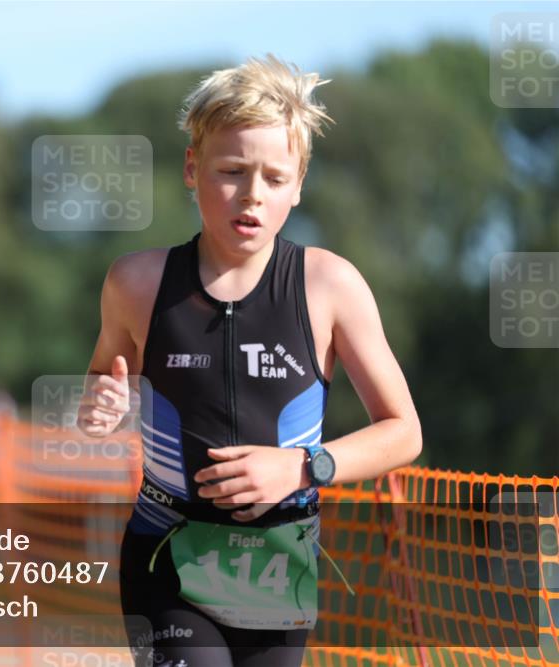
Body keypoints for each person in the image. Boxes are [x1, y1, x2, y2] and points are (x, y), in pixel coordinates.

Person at [77, 54, 423, 667]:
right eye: (232, 171)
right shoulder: (136, 282)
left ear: (298, 185)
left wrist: (303, 469)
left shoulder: (329, 286)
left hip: (276, 569)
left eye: (273, 176)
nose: (251, 195)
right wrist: (102, 404)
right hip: (167, 556)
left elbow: (404, 431)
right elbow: (107, 377)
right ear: (193, 167)